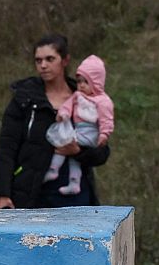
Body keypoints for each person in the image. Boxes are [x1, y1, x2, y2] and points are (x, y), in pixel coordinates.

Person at [0, 34, 111, 208]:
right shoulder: (25, 99)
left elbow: (102, 151)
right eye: (38, 60)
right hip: (33, 195)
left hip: (77, 197)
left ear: (65, 60)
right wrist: (2, 193)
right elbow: (6, 148)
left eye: (50, 59)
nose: (43, 65)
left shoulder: (87, 99)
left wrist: (78, 151)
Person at [43, 55, 115, 196]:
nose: (81, 85)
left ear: (96, 83)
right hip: (79, 130)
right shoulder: (77, 96)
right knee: (74, 156)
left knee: (65, 143)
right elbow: (67, 106)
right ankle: (74, 182)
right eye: (79, 81)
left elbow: (107, 120)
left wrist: (104, 134)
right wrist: (63, 114)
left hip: (92, 133)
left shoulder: (102, 101)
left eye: (86, 82)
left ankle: (53, 169)